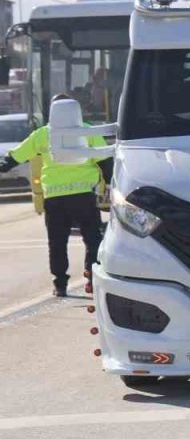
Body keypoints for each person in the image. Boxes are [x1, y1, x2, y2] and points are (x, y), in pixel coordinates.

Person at [0, 95, 112, 297]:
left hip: (54, 197)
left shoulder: (42, 134)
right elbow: (105, 160)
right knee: (93, 238)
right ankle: (91, 277)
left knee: (57, 242)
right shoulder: (87, 131)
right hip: (83, 196)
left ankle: (60, 283)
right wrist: (110, 184)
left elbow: (13, 158)